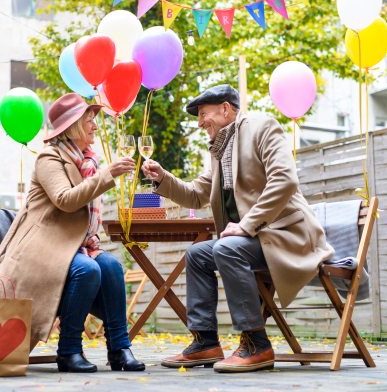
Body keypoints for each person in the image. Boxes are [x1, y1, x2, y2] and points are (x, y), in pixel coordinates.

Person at [142, 85, 334, 373]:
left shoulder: (263, 128)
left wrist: (246, 225)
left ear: (225, 109)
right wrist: (163, 178)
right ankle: (205, 341)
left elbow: (285, 180)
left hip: (286, 237)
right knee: (197, 254)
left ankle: (257, 344)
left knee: (225, 247)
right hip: (254, 241)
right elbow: (196, 194)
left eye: (204, 114)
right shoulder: (220, 150)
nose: (199, 122)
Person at [0, 93, 145, 373]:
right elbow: (65, 200)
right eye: (89, 120)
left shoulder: (87, 161)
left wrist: (102, 174)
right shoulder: (49, 158)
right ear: (73, 126)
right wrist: (106, 175)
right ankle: (69, 350)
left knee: (110, 266)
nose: (95, 126)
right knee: (87, 269)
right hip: (42, 248)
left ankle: (119, 349)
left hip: (72, 246)